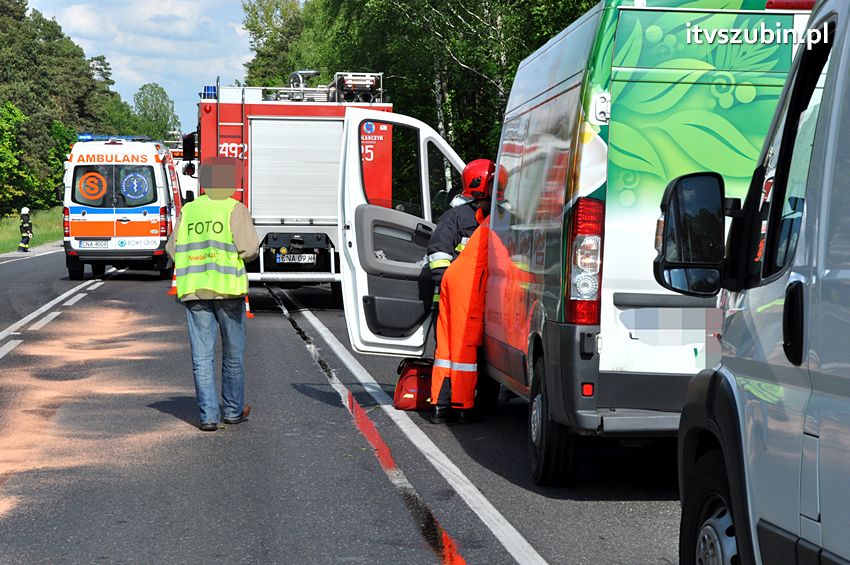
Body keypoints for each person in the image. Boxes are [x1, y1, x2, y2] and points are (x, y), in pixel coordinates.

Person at [166, 157, 260, 432]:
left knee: (202, 357)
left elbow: (173, 249)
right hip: (228, 290)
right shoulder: (235, 208)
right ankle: (232, 412)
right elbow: (249, 250)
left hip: (195, 291)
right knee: (232, 355)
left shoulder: (190, 211)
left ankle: (208, 416)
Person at [430, 159, 496, 424]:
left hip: (455, 293)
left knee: (446, 353)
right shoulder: (485, 219)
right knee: (465, 352)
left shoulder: (460, 215)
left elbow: (438, 256)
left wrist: (447, 281)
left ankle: (441, 406)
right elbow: (439, 255)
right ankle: (463, 406)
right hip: (468, 296)